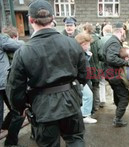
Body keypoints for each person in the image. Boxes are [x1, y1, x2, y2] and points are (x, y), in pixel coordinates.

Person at [6, 0, 88, 146]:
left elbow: (15, 87)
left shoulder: (23, 51)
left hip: (43, 108)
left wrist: (20, 107)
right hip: (69, 102)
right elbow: (84, 74)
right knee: (75, 140)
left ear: (31, 20)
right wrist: (74, 90)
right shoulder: (72, 43)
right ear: (52, 19)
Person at [102, 22, 129, 127]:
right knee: (124, 96)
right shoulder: (114, 42)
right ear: (121, 31)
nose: (125, 33)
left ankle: (118, 112)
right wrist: (126, 63)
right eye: (124, 31)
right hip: (114, 75)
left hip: (110, 74)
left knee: (117, 93)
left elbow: (103, 56)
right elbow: (111, 58)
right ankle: (118, 119)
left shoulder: (112, 41)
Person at [0, 29, 23, 146]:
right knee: (18, 111)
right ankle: (10, 142)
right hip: (4, 83)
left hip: (3, 84)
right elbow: (22, 45)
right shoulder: (4, 41)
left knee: (15, 111)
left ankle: (5, 127)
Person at [75, 32, 97, 124]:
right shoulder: (78, 53)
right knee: (88, 96)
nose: (89, 46)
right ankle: (85, 115)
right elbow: (81, 66)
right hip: (81, 80)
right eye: (88, 44)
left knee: (86, 96)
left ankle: (83, 114)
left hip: (83, 79)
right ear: (83, 44)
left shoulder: (80, 52)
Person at [83, 23, 101, 112]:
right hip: (97, 66)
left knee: (88, 87)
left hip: (87, 67)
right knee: (96, 86)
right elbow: (101, 54)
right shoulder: (98, 40)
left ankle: (90, 108)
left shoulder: (83, 40)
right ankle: (96, 105)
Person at [98, 24, 113, 108]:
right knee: (113, 82)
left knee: (102, 83)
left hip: (102, 65)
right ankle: (114, 99)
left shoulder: (101, 40)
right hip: (112, 65)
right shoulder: (115, 39)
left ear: (104, 31)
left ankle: (102, 100)